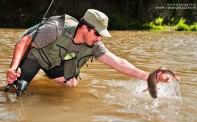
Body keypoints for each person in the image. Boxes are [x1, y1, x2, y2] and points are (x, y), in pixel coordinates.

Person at [6, 9, 164, 89]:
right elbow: (24, 42)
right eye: (97, 33)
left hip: (54, 61)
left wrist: (147, 76)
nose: (99, 38)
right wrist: (14, 68)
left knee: (71, 86)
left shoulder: (94, 45)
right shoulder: (56, 28)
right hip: (35, 55)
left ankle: (48, 77)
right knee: (16, 89)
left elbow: (118, 62)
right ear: (84, 28)